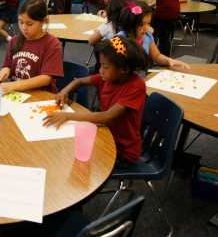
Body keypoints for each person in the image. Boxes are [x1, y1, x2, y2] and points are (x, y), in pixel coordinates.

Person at [43, 36, 147, 166]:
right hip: (103, 135)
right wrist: (64, 91)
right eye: (100, 65)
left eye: (105, 66)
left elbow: (106, 116)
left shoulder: (136, 86)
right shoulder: (108, 78)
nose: (100, 70)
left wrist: (67, 115)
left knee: (71, 161)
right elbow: (79, 81)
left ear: (124, 69)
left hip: (122, 150)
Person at [0, 0, 63, 93]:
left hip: (41, 96)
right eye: (20, 22)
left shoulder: (52, 44)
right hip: (17, 94)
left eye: (29, 24)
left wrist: (15, 85)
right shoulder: (14, 41)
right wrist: (6, 70)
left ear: (43, 21)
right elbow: (8, 65)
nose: (24, 28)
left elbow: (46, 78)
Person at [117, 0, 189, 70]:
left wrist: (169, 60)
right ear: (131, 23)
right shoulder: (119, 39)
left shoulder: (147, 36)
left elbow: (157, 56)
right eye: (141, 24)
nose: (146, 28)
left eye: (148, 23)